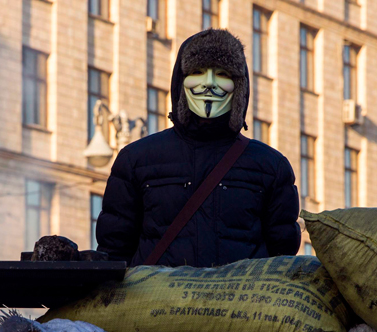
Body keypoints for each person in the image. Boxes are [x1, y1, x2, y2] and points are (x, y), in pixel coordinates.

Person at [96, 29, 301, 268]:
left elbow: (282, 261)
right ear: (180, 81)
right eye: (197, 72)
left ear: (239, 87)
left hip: (238, 304)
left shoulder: (271, 167)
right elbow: (114, 255)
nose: (209, 83)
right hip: (159, 304)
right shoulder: (136, 160)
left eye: (222, 74)